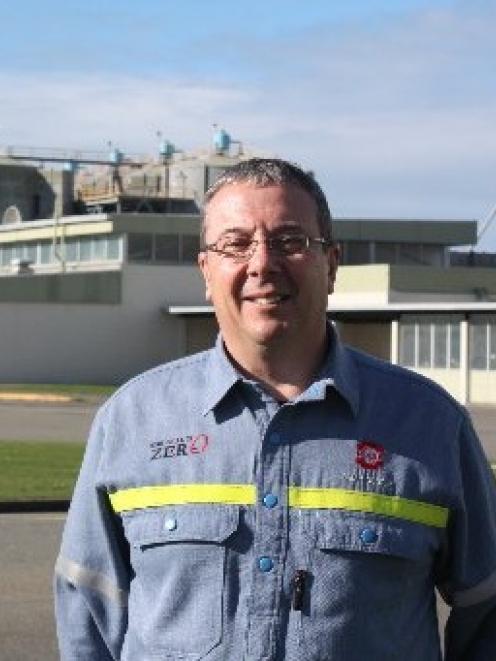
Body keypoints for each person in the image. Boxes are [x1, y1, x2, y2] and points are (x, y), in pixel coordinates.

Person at [54, 158, 496, 660]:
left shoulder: (430, 424)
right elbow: (87, 612)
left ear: (331, 264)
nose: (263, 263)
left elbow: (488, 611)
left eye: (291, 241)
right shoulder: (130, 421)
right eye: (235, 244)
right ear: (206, 271)